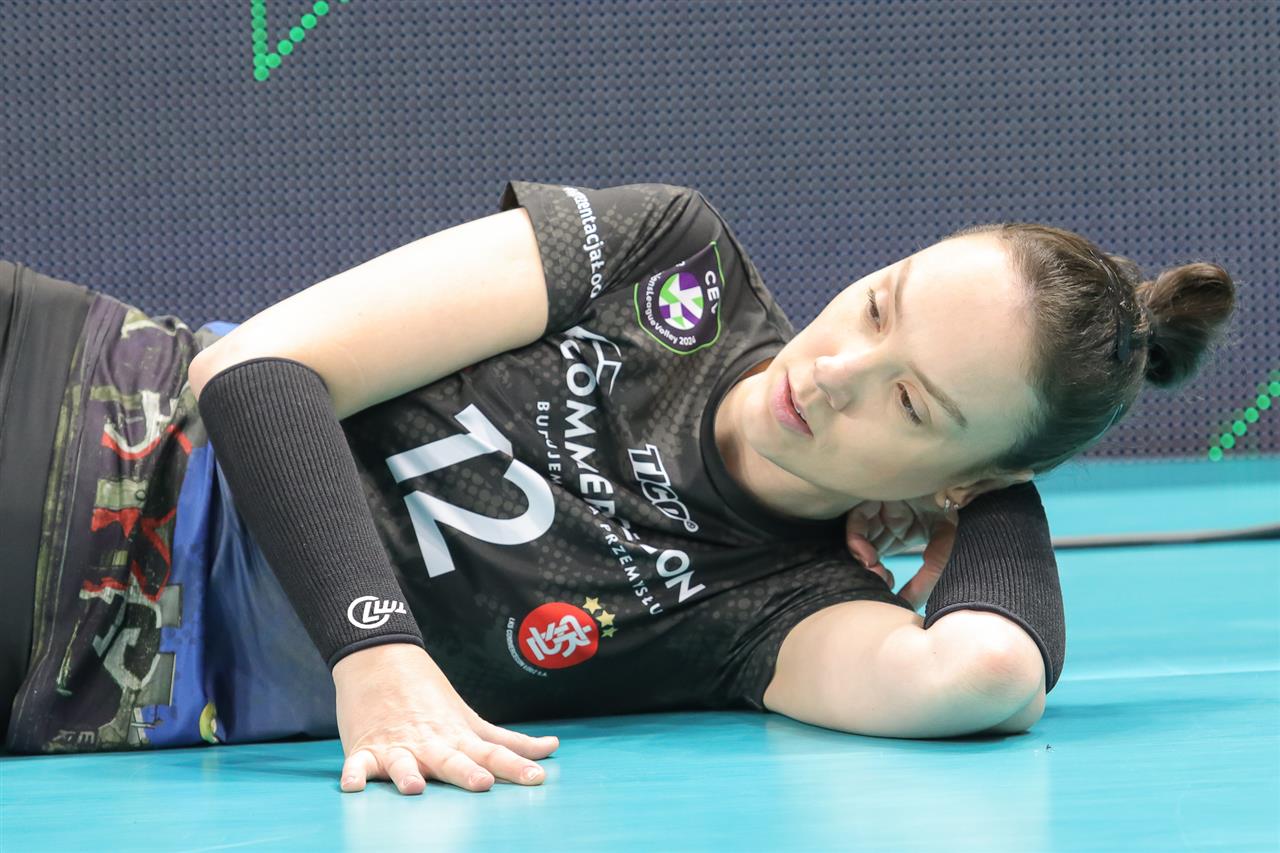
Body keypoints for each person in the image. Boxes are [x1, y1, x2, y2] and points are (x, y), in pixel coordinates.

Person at [0, 182, 1235, 797]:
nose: (833, 372)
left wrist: (989, 494)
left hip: (73, 654)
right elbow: (256, 370)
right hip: (68, 396)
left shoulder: (784, 608)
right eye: (876, 305)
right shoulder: (666, 254)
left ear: (968, 467)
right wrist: (373, 651)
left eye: (910, 402)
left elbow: (980, 673)